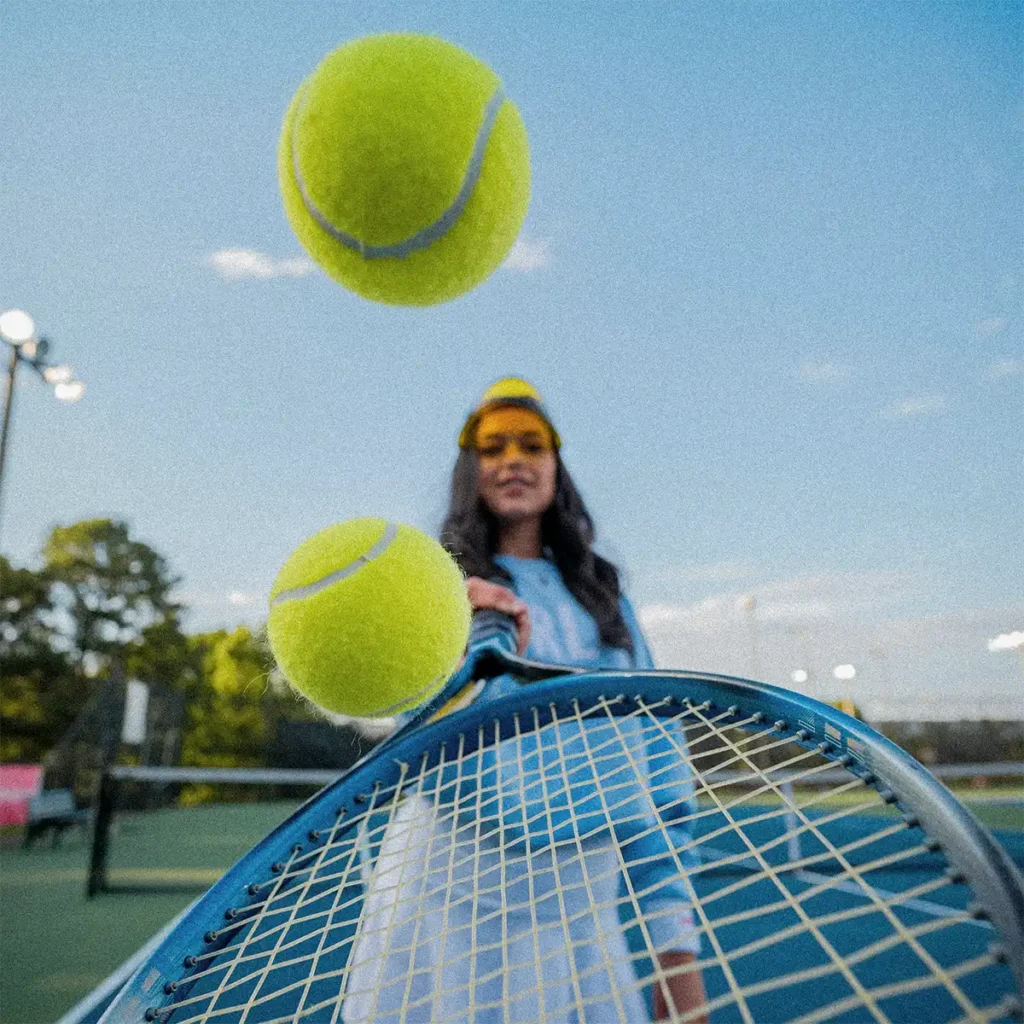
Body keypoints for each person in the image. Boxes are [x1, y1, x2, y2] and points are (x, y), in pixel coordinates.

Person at [342, 378, 707, 1023]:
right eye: (493, 447)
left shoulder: (608, 601)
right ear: (470, 470)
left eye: (532, 445)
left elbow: (661, 769)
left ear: (556, 468)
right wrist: (451, 647)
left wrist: (677, 954)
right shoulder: (439, 588)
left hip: (578, 903)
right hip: (446, 894)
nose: (514, 459)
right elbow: (411, 728)